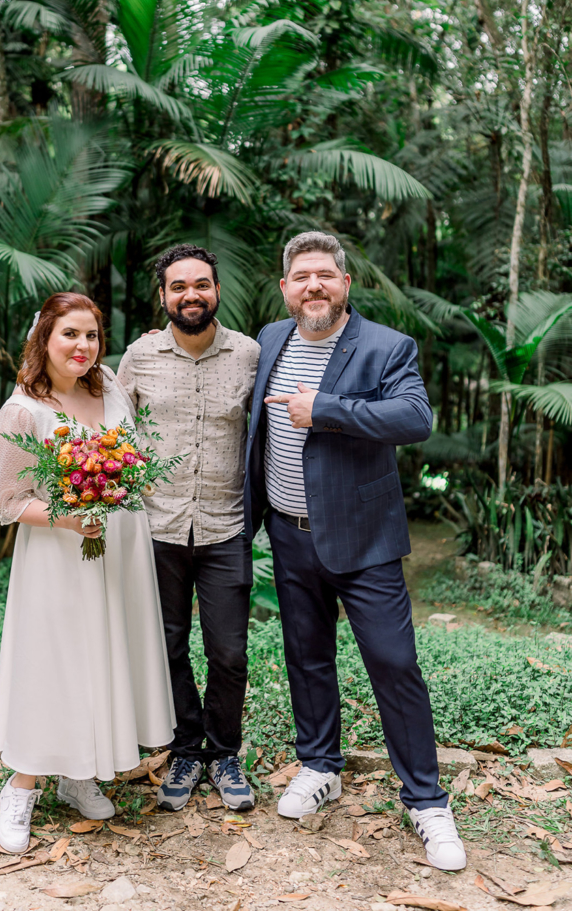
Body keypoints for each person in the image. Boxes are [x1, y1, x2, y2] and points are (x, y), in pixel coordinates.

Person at [244, 231, 466, 872]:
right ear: (285, 288)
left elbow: (414, 420)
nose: (314, 285)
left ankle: (425, 800)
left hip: (364, 542)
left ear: (345, 285)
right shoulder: (269, 341)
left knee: (394, 663)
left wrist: (327, 409)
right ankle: (320, 767)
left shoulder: (386, 346)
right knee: (306, 658)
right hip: (287, 533)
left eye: (326, 275)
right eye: (301, 276)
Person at [0, 292, 174, 853]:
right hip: (58, 555)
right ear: (43, 338)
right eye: (70, 334)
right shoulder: (23, 412)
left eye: (91, 335)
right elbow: (9, 502)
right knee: (56, 662)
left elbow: (132, 459)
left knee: (105, 654)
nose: (83, 346)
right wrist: (69, 519)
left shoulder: (110, 384)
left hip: (119, 545)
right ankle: (21, 785)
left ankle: (78, 772)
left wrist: (122, 484)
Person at [118, 245, 260, 812]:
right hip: (156, 527)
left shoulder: (250, 354)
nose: (190, 295)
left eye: (201, 284)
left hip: (226, 528)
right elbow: (109, 426)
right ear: (163, 297)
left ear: (217, 291)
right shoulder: (140, 355)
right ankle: (185, 747)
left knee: (229, 653)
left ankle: (225, 752)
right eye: (178, 287)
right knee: (166, 645)